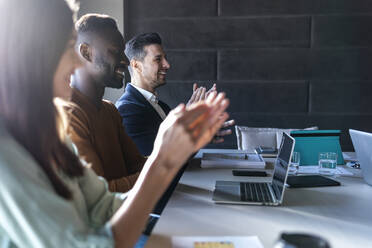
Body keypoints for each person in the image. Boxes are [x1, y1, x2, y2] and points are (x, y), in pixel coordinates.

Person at [0, 1, 229, 247]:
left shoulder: (51, 134)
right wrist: (163, 161)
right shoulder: (7, 155)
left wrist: (175, 153)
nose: (77, 64)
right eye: (68, 47)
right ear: (32, 51)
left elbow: (107, 208)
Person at [56, 14, 146, 193]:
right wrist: (160, 171)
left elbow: (138, 166)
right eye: (115, 51)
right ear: (86, 53)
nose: (126, 61)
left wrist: (178, 150)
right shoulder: (69, 114)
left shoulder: (109, 110)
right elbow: (101, 194)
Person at [115, 32, 234, 156]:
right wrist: (187, 121)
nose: (167, 64)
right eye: (158, 59)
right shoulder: (127, 110)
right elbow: (158, 163)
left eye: (165, 58)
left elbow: (181, 157)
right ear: (136, 65)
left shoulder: (162, 107)